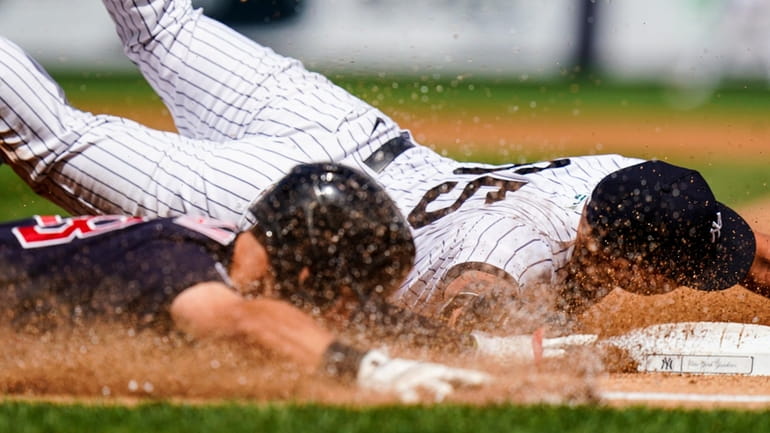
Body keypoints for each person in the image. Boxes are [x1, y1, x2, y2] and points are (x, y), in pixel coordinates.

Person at [1, 0, 769, 331]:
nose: (692, 272)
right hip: (294, 203)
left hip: (343, 131)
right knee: (55, 143)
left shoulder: (618, 181)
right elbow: (477, 293)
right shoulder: (525, 248)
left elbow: (735, 245)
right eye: (680, 265)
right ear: (629, 263)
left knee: (160, 23)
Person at [0, 162, 489, 403]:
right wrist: (372, 371)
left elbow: (364, 317)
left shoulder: (215, 253)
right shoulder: (179, 263)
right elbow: (245, 319)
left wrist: (488, 348)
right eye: (343, 290)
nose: (343, 313)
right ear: (306, 271)